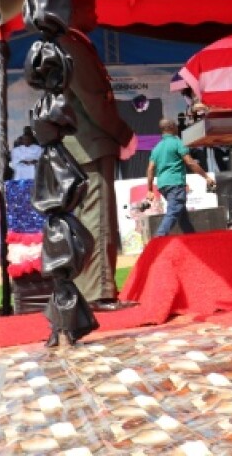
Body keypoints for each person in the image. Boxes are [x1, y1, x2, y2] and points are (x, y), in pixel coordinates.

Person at [61, 27, 136, 309]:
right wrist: (123, 134)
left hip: (81, 143)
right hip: (91, 142)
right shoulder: (72, 44)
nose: (95, 13)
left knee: (88, 218)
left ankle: (89, 289)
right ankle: (99, 292)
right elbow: (94, 99)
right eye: (89, 7)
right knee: (99, 218)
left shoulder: (62, 42)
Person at [148, 118, 216, 236]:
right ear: (172, 127)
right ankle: (159, 237)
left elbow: (150, 169)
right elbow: (190, 162)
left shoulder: (157, 148)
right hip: (175, 183)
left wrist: (149, 189)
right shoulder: (177, 142)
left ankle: (191, 238)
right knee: (174, 211)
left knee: (181, 214)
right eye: (176, 126)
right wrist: (206, 176)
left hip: (163, 185)